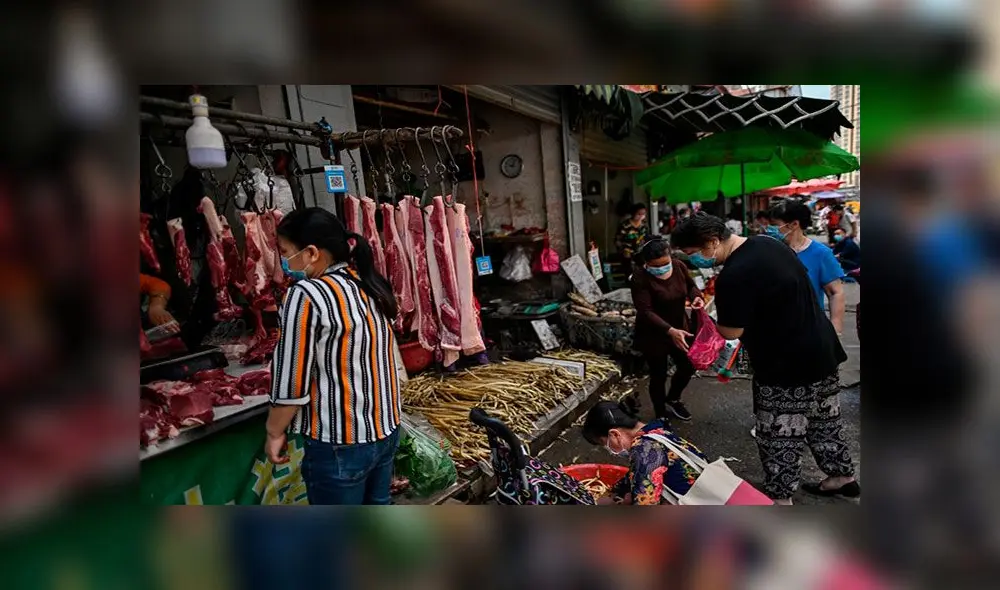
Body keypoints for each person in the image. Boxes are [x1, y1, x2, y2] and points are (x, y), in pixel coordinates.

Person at [671, 213, 857, 504]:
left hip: (785, 363)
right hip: (822, 350)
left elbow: (731, 330)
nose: (695, 260)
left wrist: (709, 323)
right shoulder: (769, 244)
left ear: (711, 242)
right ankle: (842, 477)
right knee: (824, 419)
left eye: (694, 253)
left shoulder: (733, 275)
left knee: (779, 431)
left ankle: (780, 497)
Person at [264, 207, 402, 505]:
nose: (285, 262)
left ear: (311, 252)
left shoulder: (307, 294)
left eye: (286, 252)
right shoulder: (366, 283)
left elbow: (292, 381)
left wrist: (274, 433)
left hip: (341, 444)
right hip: (386, 433)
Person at [631, 237, 705, 422]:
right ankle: (660, 413)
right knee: (659, 374)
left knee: (687, 366)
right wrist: (669, 330)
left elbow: (691, 286)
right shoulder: (640, 277)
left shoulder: (679, 266)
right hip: (654, 332)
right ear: (647, 263)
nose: (662, 268)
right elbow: (645, 311)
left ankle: (673, 399)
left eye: (665, 263)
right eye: (656, 266)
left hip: (680, 328)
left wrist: (696, 297)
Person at [582, 401, 708, 505]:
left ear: (614, 434)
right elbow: (638, 474)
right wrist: (612, 493)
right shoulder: (657, 430)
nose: (608, 449)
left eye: (604, 443)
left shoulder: (644, 449)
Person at [768, 201, 847, 336]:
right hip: (774, 329)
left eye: (776, 225)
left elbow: (835, 293)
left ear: (794, 224)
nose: (770, 229)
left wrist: (835, 331)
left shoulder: (820, 253)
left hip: (809, 330)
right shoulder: (769, 251)